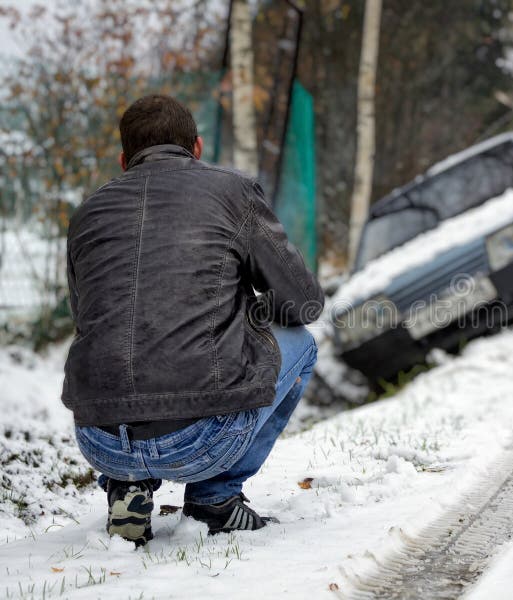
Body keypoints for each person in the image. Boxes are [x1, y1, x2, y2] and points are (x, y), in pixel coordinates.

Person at [62, 94, 324, 546]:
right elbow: (305, 304)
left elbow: (87, 318)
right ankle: (215, 500)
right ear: (197, 148)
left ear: (125, 160)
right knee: (301, 344)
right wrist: (252, 316)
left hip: (100, 441)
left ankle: (127, 486)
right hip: (198, 440)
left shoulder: (87, 214)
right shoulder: (233, 192)